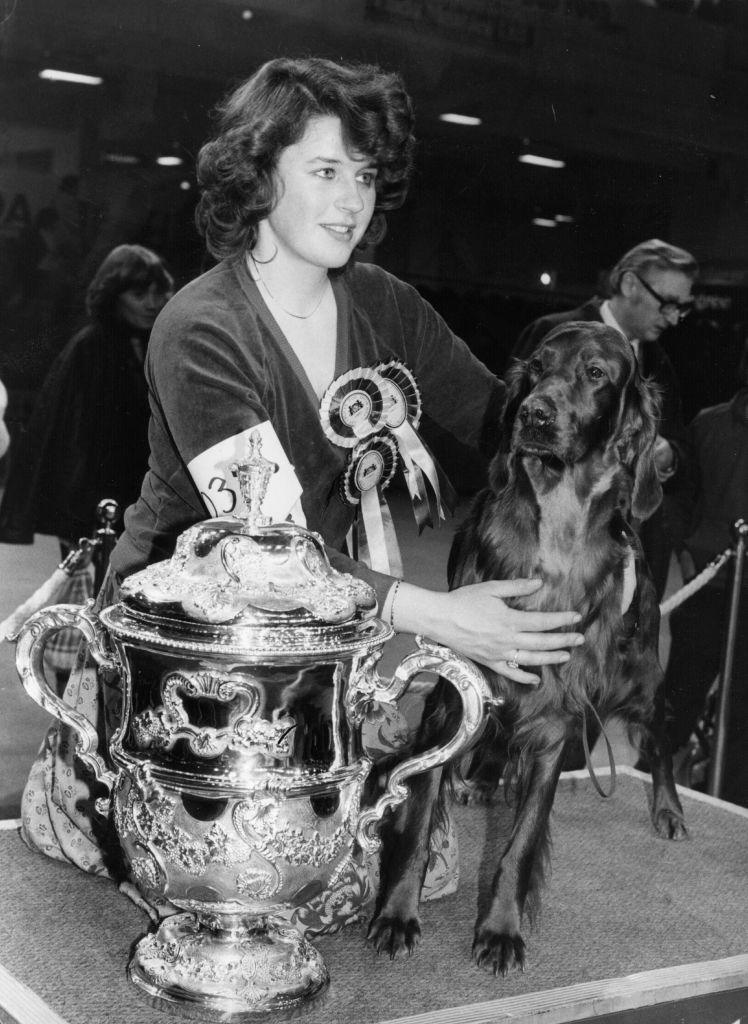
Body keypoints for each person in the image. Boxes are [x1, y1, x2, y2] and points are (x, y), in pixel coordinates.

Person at [20, 58, 584, 891]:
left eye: (364, 175)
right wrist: (438, 617)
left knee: (404, 878)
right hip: (191, 644)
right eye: (324, 171)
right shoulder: (201, 327)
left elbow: (506, 423)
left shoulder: (386, 303)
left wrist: (593, 446)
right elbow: (272, 555)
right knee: (233, 875)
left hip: (329, 633)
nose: (352, 200)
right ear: (258, 174)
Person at [510, 239, 698, 600]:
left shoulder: (661, 364)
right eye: (669, 303)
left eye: (683, 308)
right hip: (550, 554)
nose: (674, 317)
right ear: (630, 285)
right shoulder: (550, 334)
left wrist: (668, 454)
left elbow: (683, 445)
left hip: (631, 553)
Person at [0, 244, 173, 548]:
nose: (151, 303)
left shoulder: (154, 342)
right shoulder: (91, 346)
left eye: (157, 293)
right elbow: (67, 436)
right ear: (114, 296)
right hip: (93, 498)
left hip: (140, 493)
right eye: (138, 294)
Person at [664, 339, 748, 807]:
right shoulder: (708, 424)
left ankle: (733, 812)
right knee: (679, 698)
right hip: (705, 588)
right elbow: (679, 500)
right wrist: (684, 553)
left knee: (742, 719)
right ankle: (653, 784)